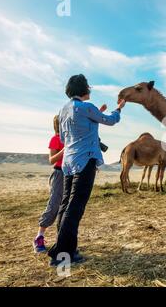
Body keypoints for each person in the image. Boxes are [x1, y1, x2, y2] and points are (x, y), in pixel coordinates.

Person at [48, 74, 125, 266]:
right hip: (85, 161)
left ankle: (67, 248)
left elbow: (65, 139)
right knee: (75, 208)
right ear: (85, 89)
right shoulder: (86, 107)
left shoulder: (64, 110)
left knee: (66, 205)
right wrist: (119, 109)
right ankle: (62, 254)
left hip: (69, 162)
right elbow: (111, 120)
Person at [33, 115, 65, 253]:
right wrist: (65, 149)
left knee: (67, 208)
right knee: (54, 205)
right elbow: (52, 160)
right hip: (59, 174)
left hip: (72, 174)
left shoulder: (73, 138)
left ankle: (63, 239)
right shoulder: (55, 139)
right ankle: (39, 237)